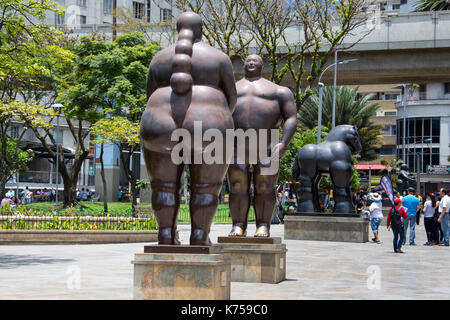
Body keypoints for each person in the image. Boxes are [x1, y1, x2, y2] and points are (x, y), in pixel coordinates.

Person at [227, 54, 297, 238]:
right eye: (248, 61)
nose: (251, 62)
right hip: (236, 146)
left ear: (262, 65)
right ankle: (238, 225)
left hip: (268, 146)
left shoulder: (278, 91)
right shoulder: (231, 90)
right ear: (243, 65)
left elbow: (291, 117)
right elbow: (218, 114)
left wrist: (284, 143)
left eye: (255, 61)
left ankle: (263, 225)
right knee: (237, 186)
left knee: (265, 186)